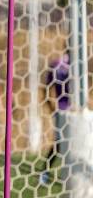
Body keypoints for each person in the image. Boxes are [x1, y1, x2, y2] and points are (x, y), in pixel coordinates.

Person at [39, 50, 70, 185]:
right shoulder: (73, 65)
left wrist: (50, 104)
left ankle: (45, 171)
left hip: (63, 110)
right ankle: (45, 171)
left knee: (60, 144)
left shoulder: (56, 64)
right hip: (68, 109)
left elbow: (46, 87)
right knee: (60, 144)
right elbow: (46, 87)